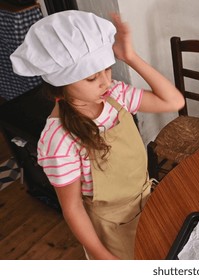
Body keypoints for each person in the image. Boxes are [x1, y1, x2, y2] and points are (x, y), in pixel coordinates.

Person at [10, 10, 184, 259]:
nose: (104, 82)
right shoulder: (59, 141)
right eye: (92, 77)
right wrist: (103, 256)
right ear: (60, 85)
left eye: (107, 69)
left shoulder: (115, 96)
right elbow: (72, 208)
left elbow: (174, 101)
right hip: (111, 230)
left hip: (148, 201)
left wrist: (130, 57)